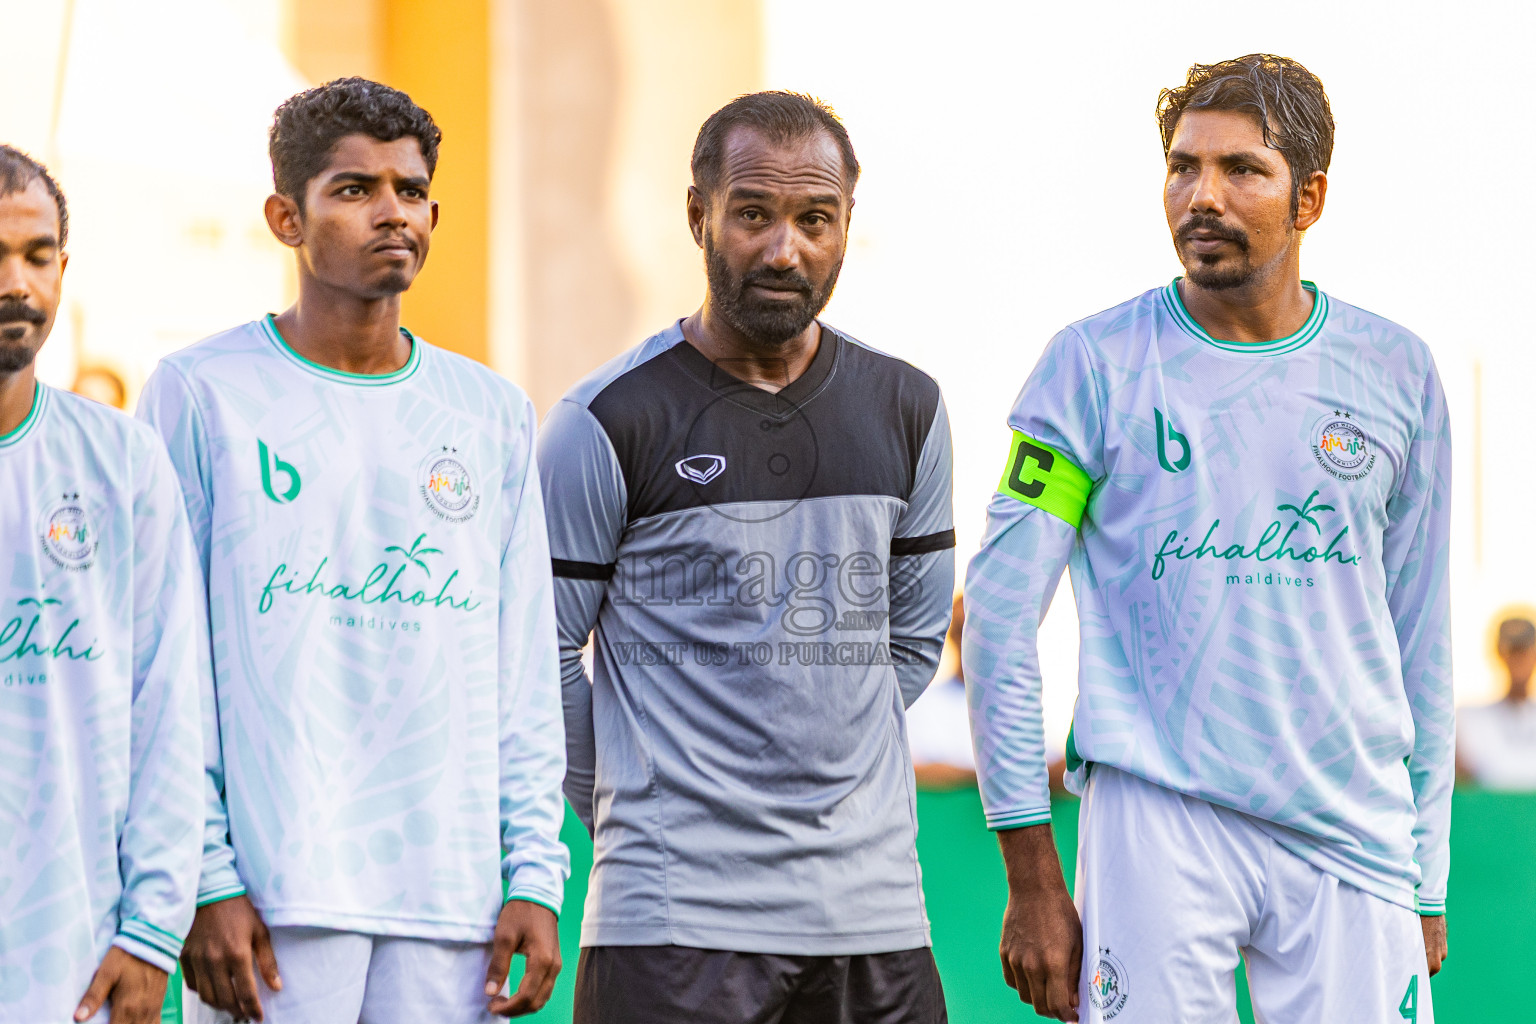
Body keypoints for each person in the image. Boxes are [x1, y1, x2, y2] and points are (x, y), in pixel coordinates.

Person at [964, 55, 1452, 1023]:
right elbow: (999, 621)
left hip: (1351, 829)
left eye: (1242, 171)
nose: (1201, 195)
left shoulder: (1396, 372)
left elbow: (1421, 640)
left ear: (1308, 196)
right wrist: (1031, 872)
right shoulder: (1092, 365)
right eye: (1183, 167)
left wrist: (1425, 874)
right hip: (1158, 818)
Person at [136, 79, 568, 1024]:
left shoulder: (489, 414)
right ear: (285, 216)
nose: (391, 214)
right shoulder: (201, 393)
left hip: (453, 906)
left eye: (409, 192)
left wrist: (537, 875)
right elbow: (165, 664)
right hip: (273, 904)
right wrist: (204, 877)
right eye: (353, 190)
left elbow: (525, 670)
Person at [540, 91, 955, 1024]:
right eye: (753, 214)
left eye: (816, 219)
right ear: (700, 215)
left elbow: (914, 645)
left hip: (873, 917)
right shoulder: (605, 420)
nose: (785, 250)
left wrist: (824, 770)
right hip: (671, 924)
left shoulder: (909, 409)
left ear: (848, 221)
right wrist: (625, 803)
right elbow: (541, 654)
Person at [0, 146, 207, 1024]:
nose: (16, 282)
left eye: (36, 255)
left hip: (72, 959)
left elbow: (168, 709)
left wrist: (153, 930)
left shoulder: (122, 461)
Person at [1456, 616, 1536, 789]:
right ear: (1500, 653)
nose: (1518, 659)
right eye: (1512, 650)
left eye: (1524, 650)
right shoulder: (1471, 719)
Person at [908, 594, 976, 789]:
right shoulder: (921, 701)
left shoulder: (1018, 705)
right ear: (952, 634)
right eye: (962, 629)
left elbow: (1052, 767)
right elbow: (916, 770)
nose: (971, 641)